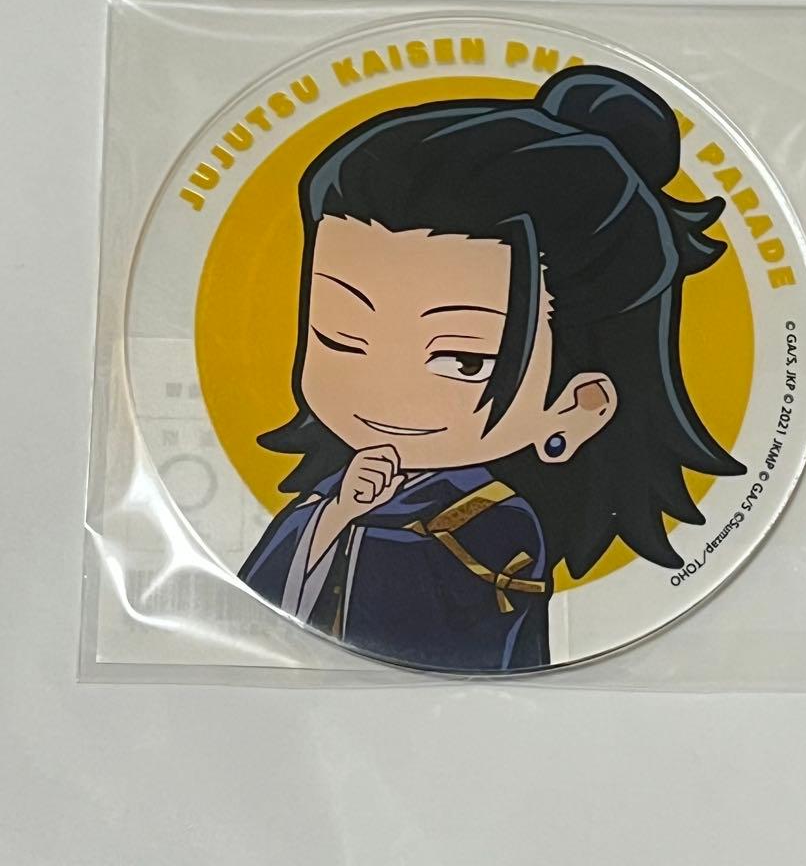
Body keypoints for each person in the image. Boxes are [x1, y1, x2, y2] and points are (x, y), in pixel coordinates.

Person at [239, 65, 745, 672]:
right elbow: (255, 610)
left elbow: (459, 656)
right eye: (341, 337)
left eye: (462, 358)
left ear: (578, 405)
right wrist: (338, 514)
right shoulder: (343, 492)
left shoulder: (496, 524)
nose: (385, 387)